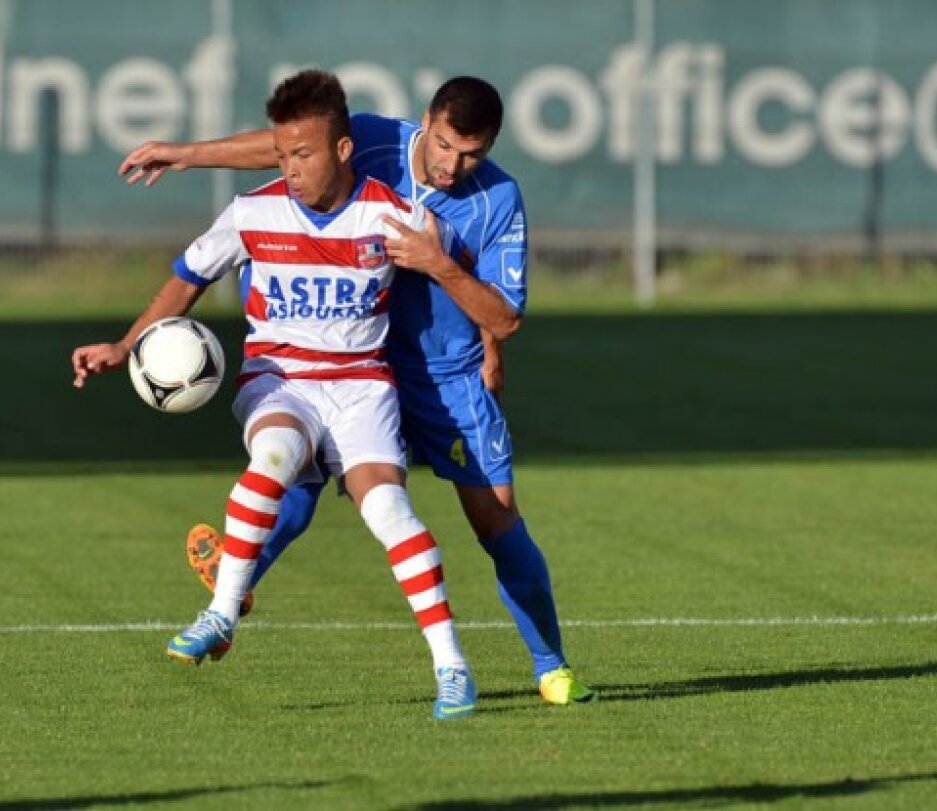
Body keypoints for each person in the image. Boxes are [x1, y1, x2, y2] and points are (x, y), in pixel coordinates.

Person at [120, 76, 593, 706]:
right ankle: (234, 589)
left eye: (472, 154)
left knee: (496, 519)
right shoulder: (372, 139)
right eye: (445, 146)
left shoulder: (498, 198)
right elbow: (286, 146)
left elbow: (503, 316)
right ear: (427, 122)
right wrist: (187, 154)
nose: (453, 166)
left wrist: (450, 282)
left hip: (444, 374)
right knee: (297, 471)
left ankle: (551, 667)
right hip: (355, 359)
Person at [74, 69, 477, 720]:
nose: (290, 169)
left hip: (361, 386)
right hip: (279, 378)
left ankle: (453, 668)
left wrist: (486, 344)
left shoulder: (396, 216)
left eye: (303, 154)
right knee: (273, 457)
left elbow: (456, 278)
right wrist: (125, 346)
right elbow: (187, 279)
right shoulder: (251, 213)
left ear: (342, 150)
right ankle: (220, 613)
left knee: (390, 513)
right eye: (283, 154)